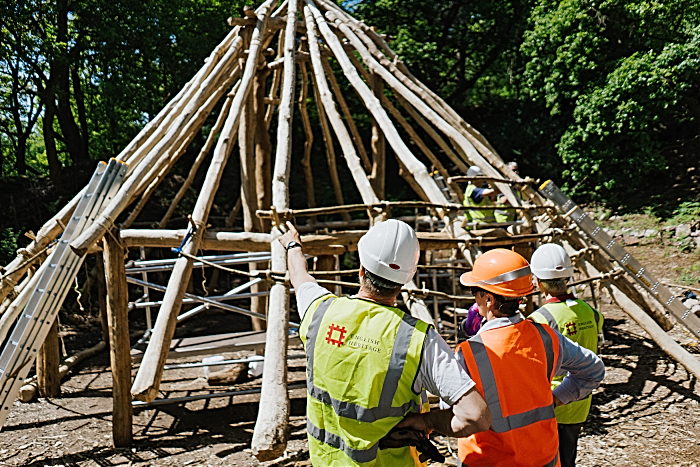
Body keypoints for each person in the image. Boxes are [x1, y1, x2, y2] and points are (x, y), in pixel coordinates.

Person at [278, 219, 491, 466]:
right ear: (403, 282)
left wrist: (292, 244)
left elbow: (299, 275)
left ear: (361, 269)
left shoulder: (319, 311)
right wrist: (427, 421)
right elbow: (476, 416)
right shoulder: (418, 339)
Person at [400, 248, 605, 467]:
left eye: (474, 292)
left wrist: (426, 422)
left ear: (488, 299)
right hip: (543, 459)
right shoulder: (546, 336)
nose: (474, 299)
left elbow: (453, 413)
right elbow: (593, 370)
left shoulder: (469, 353)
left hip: (487, 461)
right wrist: (557, 398)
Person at [529, 243, 605, 467]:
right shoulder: (590, 312)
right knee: (568, 456)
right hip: (580, 400)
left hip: (552, 402)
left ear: (538, 282)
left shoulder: (540, 319)